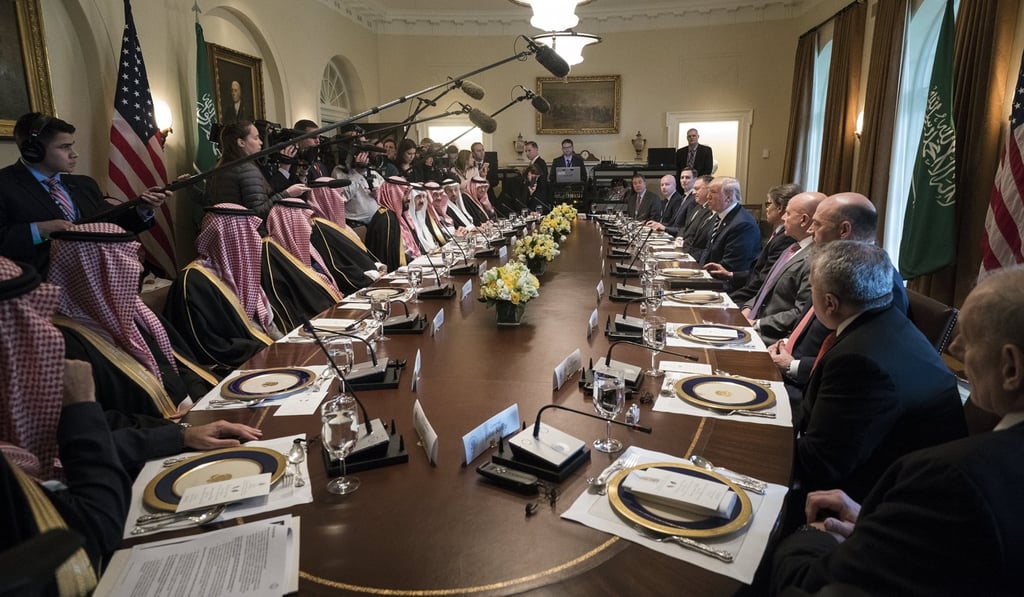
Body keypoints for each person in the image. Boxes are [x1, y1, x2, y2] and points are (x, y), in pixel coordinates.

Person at [772, 265, 1024, 597]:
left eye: (971, 337)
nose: (956, 349)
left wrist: (809, 534)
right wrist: (879, 523)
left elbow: (810, 582)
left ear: (1011, 368)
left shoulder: (950, 482)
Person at [46, 224, 262, 475]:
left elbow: (177, 363)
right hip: (146, 452)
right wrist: (178, 430)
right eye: (124, 260)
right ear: (91, 273)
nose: (138, 268)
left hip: (190, 424)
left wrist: (202, 402)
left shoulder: (133, 311)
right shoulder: (61, 341)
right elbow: (92, 421)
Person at [793, 241, 966, 501]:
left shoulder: (858, 363)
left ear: (830, 303)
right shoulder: (889, 321)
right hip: (892, 469)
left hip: (877, 499)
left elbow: (820, 464)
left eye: (811, 288)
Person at [0, 257, 128, 592]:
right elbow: (97, 529)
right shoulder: (71, 340)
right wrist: (81, 405)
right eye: (24, 319)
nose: (45, 333)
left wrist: (180, 432)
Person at [767, 192, 909, 402]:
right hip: (790, 364)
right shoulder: (831, 265)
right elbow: (810, 323)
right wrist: (786, 342)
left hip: (814, 388)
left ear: (844, 230)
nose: (810, 230)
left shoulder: (882, 282)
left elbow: (864, 360)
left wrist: (791, 365)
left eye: (817, 224)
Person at [0, 112, 169, 276]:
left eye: (71, 145)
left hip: (99, 279)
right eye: (64, 147)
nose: (74, 153)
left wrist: (142, 209)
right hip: (41, 287)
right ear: (33, 150)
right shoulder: (5, 185)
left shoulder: (85, 185)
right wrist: (39, 230)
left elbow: (110, 225)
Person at [163, 204, 279, 371]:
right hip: (233, 368)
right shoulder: (193, 282)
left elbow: (264, 321)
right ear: (231, 238)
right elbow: (207, 345)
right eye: (247, 235)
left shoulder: (240, 272)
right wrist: (267, 350)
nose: (254, 239)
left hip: (263, 352)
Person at [739, 192, 821, 345]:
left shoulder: (814, 260)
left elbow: (800, 312)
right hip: (752, 322)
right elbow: (766, 289)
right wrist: (748, 307)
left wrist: (757, 323)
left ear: (804, 220)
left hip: (770, 337)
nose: (783, 218)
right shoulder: (792, 247)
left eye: (788, 214)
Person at [262, 200, 343, 332]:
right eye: (307, 218)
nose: (312, 223)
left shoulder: (302, 244)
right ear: (292, 223)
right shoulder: (272, 257)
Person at [710, 183, 802, 296]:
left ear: (780, 208)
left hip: (753, 296)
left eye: (769, 204)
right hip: (748, 288)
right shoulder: (779, 233)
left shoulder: (786, 238)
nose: (766, 209)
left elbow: (764, 281)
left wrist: (733, 299)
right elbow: (759, 273)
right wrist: (731, 274)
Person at [206, 120, 308, 219]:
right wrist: (288, 193)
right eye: (256, 138)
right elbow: (257, 212)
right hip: (249, 232)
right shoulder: (247, 170)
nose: (261, 142)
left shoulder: (219, 168)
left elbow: (207, 201)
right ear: (241, 142)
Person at [307, 181, 381, 294]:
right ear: (326, 199)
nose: (345, 200)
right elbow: (337, 268)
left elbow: (358, 252)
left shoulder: (338, 225)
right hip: (358, 289)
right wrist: (368, 277)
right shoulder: (318, 230)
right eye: (340, 195)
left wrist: (376, 265)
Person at [698, 177, 760, 273]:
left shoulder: (743, 224)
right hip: (708, 274)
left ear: (728, 198)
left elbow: (731, 266)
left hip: (725, 281)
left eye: (713, 192)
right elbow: (707, 251)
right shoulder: (719, 215)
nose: (708, 196)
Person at [364, 177, 417, 271]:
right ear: (394, 194)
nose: (408, 198)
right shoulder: (386, 219)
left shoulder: (390, 215)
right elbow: (390, 260)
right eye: (405, 194)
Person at [524, 140, 549, 208]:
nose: (527, 153)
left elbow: (537, 182)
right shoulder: (533, 163)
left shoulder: (539, 163)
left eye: (529, 150)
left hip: (538, 196)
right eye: (526, 151)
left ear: (536, 149)